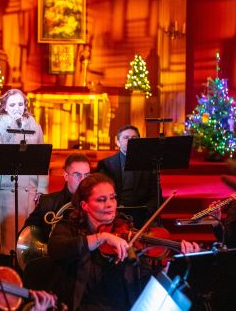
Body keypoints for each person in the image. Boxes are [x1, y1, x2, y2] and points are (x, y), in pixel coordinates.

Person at [47, 173, 199, 311]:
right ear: (84, 205)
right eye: (101, 200)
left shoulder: (125, 228)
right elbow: (56, 249)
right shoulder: (68, 228)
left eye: (112, 197)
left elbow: (143, 277)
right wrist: (102, 237)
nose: (109, 204)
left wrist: (169, 267)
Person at [0, 88, 48, 255]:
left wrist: (42, 188)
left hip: (29, 188)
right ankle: (5, 262)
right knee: (6, 237)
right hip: (5, 188)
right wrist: (11, 127)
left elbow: (42, 160)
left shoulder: (35, 127)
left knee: (24, 233)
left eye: (20, 104)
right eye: (12, 104)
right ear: (5, 107)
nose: (17, 108)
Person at [96, 125, 159, 228]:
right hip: (114, 213)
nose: (130, 140)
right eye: (126, 138)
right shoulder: (106, 164)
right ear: (118, 142)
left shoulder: (149, 164)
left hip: (142, 214)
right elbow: (100, 194)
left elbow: (155, 194)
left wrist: (147, 212)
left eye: (134, 138)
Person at [23, 153, 91, 243]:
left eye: (86, 175)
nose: (83, 180)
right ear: (66, 176)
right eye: (77, 175)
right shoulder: (47, 203)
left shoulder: (97, 203)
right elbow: (26, 236)